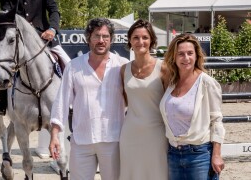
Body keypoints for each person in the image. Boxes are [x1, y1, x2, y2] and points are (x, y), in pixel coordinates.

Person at [0, 0, 70, 115]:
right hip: (20, 40)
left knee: (66, 62)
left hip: (44, 36)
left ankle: (71, 102)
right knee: (4, 65)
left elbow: (54, 10)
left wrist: (52, 29)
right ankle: (2, 102)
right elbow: (6, 15)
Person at [49, 18, 128, 180]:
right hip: (82, 141)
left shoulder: (123, 65)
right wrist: (55, 135)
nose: (101, 40)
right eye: (96, 36)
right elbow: (61, 102)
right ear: (88, 38)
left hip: (113, 140)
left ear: (111, 39)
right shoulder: (74, 66)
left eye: (105, 36)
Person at [159, 33, 225, 180]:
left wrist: (217, 155)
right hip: (173, 154)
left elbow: (216, 121)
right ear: (174, 57)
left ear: (197, 56)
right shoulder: (171, 83)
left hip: (199, 155)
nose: (186, 58)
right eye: (181, 54)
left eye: (190, 53)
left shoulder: (207, 83)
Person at [119, 19, 168, 180]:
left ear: (152, 40)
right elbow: (126, 100)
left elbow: (170, 103)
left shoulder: (164, 68)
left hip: (157, 134)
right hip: (130, 134)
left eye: (145, 37)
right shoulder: (123, 70)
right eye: (136, 37)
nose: (141, 41)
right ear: (130, 41)